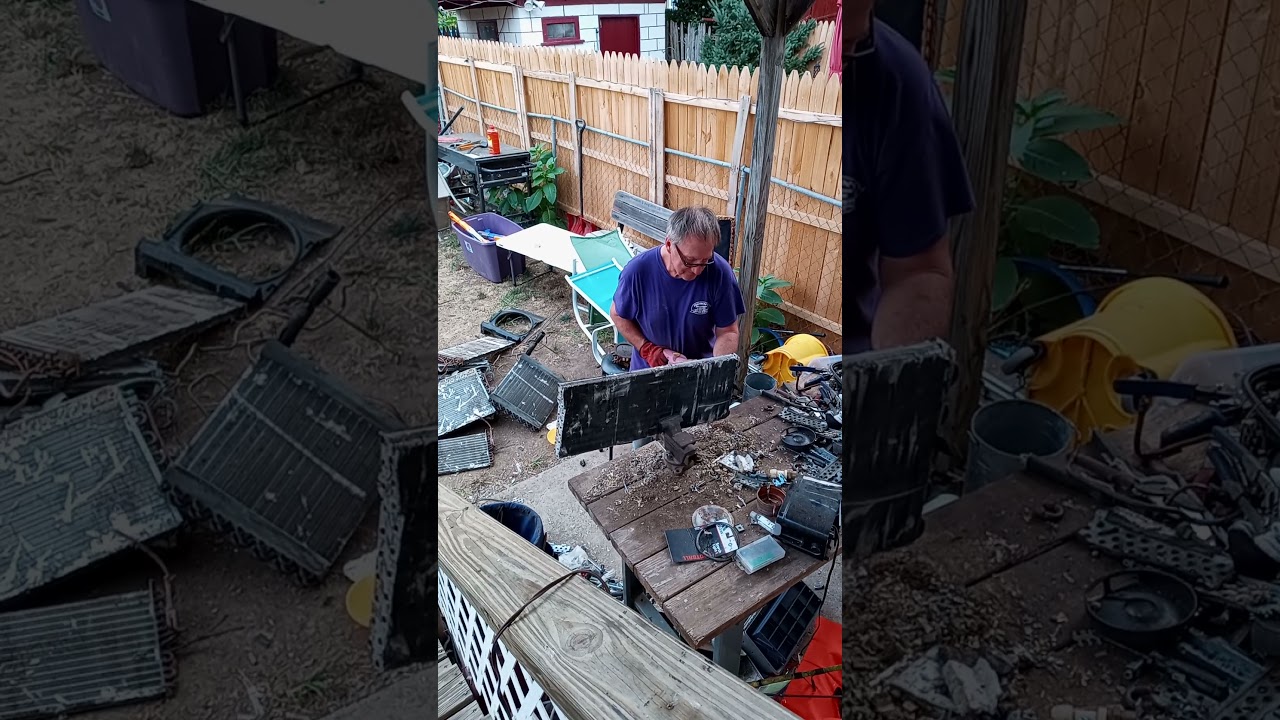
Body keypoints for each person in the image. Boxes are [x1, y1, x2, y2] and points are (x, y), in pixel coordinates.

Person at [846, 0, 975, 353]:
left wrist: (887, 379)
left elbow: (918, 272)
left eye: (854, 44)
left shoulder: (899, 82)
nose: (846, 64)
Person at [609, 205, 746, 371]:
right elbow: (617, 314)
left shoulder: (720, 273)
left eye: (705, 261)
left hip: (699, 373)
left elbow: (728, 332)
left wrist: (713, 369)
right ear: (669, 244)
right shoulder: (638, 272)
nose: (697, 270)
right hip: (647, 373)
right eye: (690, 261)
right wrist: (647, 349)